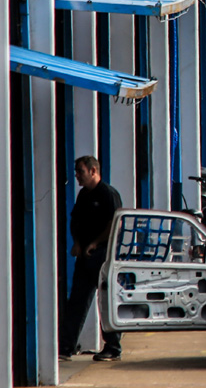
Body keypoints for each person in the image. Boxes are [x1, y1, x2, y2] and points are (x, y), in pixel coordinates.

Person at [60, 155, 123, 362]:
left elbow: (114, 224)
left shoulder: (108, 194)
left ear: (93, 171)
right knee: (77, 300)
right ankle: (67, 346)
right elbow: (75, 220)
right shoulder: (83, 196)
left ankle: (113, 346)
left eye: (80, 171)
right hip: (85, 256)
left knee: (105, 300)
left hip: (102, 256)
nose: (77, 176)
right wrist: (77, 243)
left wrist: (95, 244)